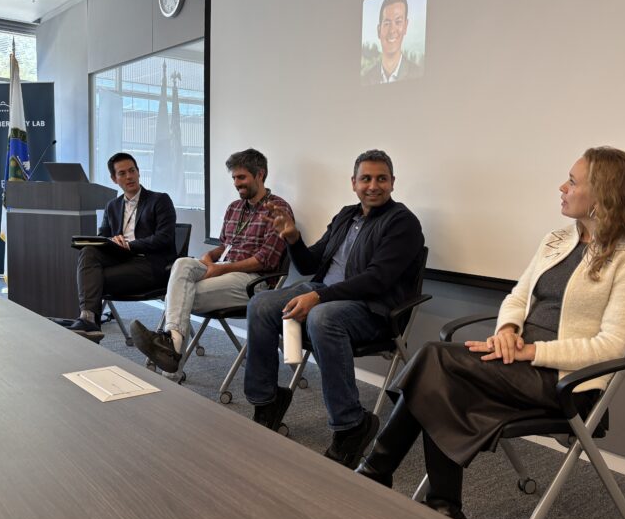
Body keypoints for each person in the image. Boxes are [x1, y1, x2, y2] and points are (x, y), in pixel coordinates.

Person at [356, 147, 625, 519]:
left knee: (435, 361)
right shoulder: (557, 239)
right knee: (438, 379)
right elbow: (518, 296)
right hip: (517, 363)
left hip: (567, 384)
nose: (562, 187)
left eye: (572, 181)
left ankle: (382, 474)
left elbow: (610, 347)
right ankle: (439, 505)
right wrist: (506, 330)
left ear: (604, 194)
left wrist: (530, 353)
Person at [246, 149, 424, 469]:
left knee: (322, 315)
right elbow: (311, 263)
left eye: (381, 178)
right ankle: (268, 401)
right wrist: (293, 238)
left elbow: (377, 280)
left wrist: (319, 297)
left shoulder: (403, 223)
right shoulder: (346, 215)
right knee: (260, 304)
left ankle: (351, 424)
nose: (373, 185)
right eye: (365, 178)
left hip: (372, 309)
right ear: (353, 183)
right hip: (324, 293)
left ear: (393, 183)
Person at [129, 149, 292, 375]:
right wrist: (209, 258)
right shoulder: (234, 208)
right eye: (234, 178)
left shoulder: (278, 209)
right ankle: (173, 347)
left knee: (175, 296)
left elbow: (266, 260)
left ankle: (170, 363)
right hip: (223, 270)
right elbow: (226, 247)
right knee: (183, 263)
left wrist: (220, 269)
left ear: (260, 175)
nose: (236, 183)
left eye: (242, 177)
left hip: (253, 282)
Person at [69, 152, 177, 338]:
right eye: (122, 173)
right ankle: (88, 318)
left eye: (132, 171)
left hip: (150, 264)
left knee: (91, 280)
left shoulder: (159, 200)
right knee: (88, 251)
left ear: (138, 172)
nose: (129, 176)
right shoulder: (112, 206)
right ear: (114, 179)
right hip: (121, 260)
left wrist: (130, 245)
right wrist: (111, 241)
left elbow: (164, 238)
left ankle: (91, 325)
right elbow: (102, 237)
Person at [361, 0, 423, 85]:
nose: (392, 30)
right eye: (387, 23)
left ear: (405, 26)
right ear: (378, 30)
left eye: (398, 22)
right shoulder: (365, 80)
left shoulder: (418, 74)